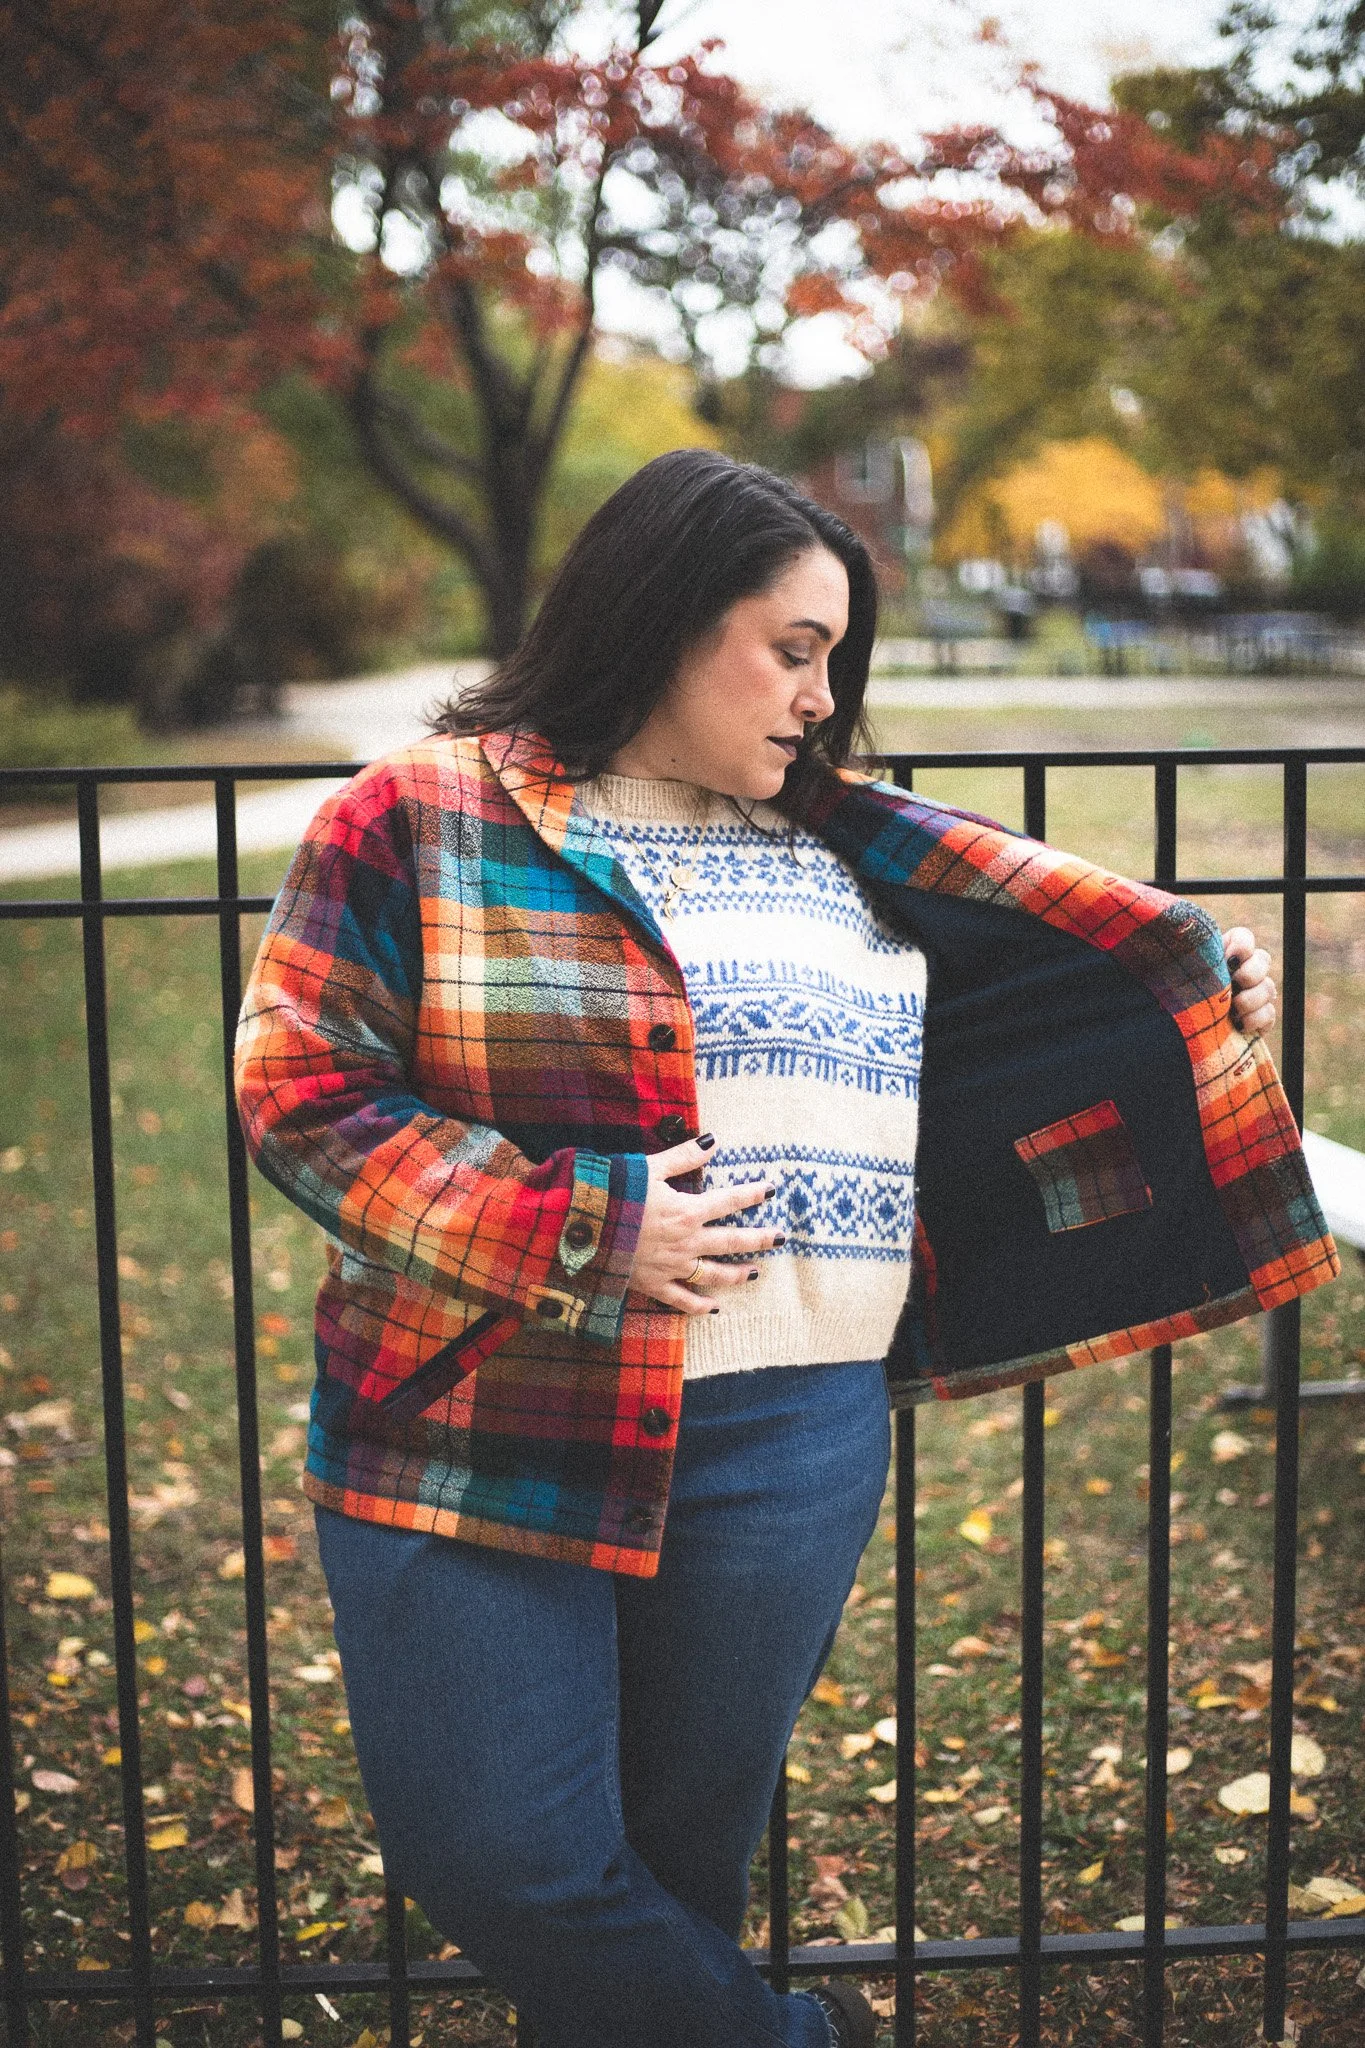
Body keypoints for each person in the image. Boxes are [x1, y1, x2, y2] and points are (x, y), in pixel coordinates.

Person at [234, 450, 1333, 2048]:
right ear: (664, 617)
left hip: (789, 1436)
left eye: (837, 659)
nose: (823, 698)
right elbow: (298, 1086)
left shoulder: (859, 847)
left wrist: (1188, 999)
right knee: (513, 1866)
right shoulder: (422, 812)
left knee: (668, 1887)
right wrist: (585, 1229)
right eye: (793, 648)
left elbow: (1012, 1054)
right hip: (484, 1409)